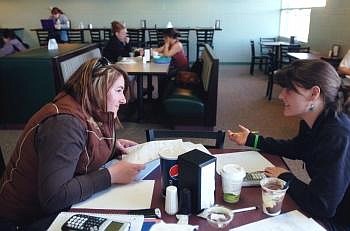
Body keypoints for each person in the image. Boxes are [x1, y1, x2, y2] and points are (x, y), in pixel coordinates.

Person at [0, 58, 145, 230]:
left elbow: (84, 147)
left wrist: (113, 146)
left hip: (50, 210)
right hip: (24, 221)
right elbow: (54, 198)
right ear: (96, 88)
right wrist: (111, 175)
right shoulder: (64, 124)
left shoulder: (89, 107)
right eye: (119, 90)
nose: (123, 100)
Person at [228, 59, 350, 231]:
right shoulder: (315, 120)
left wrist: (286, 178)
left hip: (339, 221)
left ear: (314, 93)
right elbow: (298, 148)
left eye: (289, 90)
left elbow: (322, 206)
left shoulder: (337, 135)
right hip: (328, 207)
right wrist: (252, 140)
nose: (280, 95)